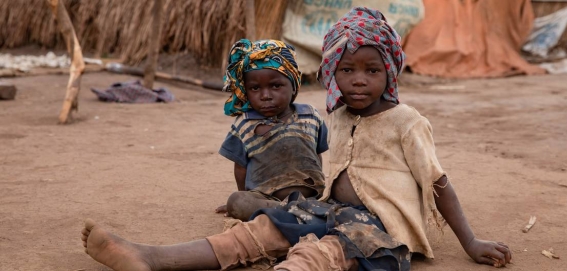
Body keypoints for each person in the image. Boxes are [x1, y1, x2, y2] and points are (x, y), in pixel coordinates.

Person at [80, 7, 512, 271]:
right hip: (330, 209)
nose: (358, 81)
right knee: (264, 229)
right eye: (346, 70)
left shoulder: (406, 121)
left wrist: (470, 242)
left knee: (321, 254)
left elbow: (438, 183)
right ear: (330, 73)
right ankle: (153, 257)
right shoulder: (338, 115)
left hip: (381, 228)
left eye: (371, 70)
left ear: (390, 73)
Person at [214, 39, 329, 221]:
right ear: (246, 91)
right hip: (265, 197)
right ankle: (291, 212)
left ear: (293, 86)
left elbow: (316, 154)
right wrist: (245, 196)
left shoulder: (310, 116)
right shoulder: (244, 124)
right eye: (255, 88)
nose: (265, 95)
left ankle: (290, 211)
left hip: (310, 196)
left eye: (275, 86)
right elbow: (240, 167)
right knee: (237, 201)